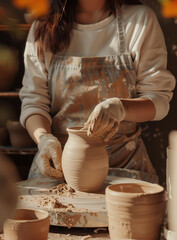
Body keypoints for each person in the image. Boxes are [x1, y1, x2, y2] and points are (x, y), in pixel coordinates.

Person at [19, 0, 176, 182]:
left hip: (124, 164)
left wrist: (120, 107)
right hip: (60, 163)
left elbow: (159, 101)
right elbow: (34, 102)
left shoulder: (139, 20)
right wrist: (44, 139)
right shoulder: (44, 26)